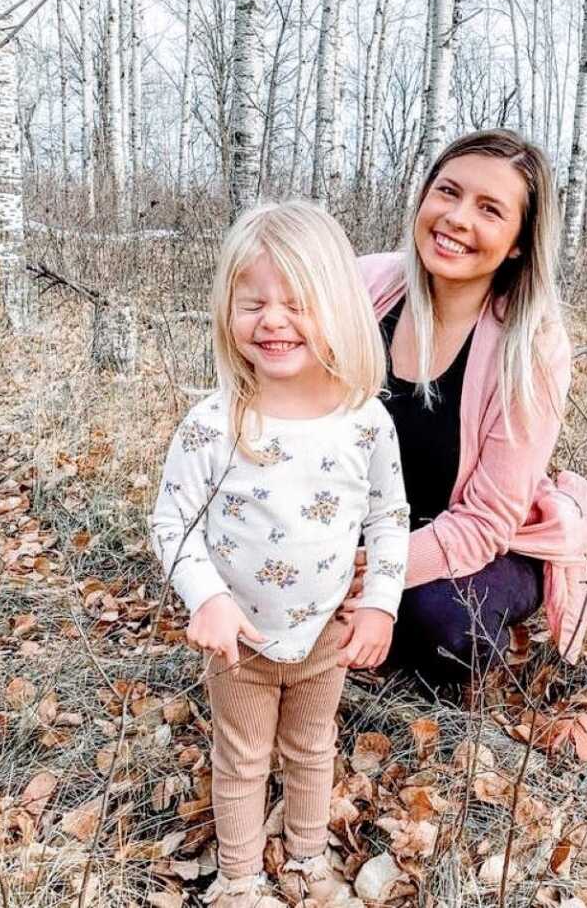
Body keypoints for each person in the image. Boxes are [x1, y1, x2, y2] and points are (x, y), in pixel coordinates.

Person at [149, 201, 408, 908]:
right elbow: (172, 522)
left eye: (296, 302)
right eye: (252, 302)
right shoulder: (214, 422)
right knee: (240, 760)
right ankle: (238, 881)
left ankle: (306, 861)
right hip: (241, 641)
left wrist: (380, 605)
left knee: (313, 748)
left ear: (337, 307)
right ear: (226, 310)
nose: (272, 320)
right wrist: (208, 596)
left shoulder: (364, 419)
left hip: (325, 632)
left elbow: (389, 518)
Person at [350, 128, 587, 693]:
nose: (457, 218)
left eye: (489, 209)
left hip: (483, 539)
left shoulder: (531, 343)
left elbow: (487, 521)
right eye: (447, 192)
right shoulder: (362, 287)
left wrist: (371, 572)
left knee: (443, 625)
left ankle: (492, 615)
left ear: (516, 242)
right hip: (362, 522)